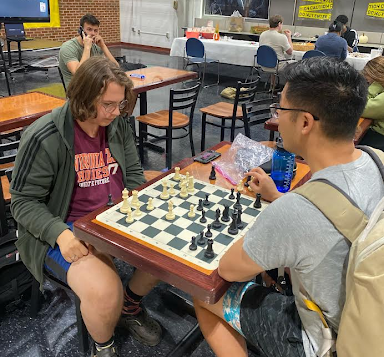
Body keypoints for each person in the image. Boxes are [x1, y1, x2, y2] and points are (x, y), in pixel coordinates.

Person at [193, 57, 384, 357]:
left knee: (205, 295)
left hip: (324, 341)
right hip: (368, 324)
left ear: (306, 122)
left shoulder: (298, 211)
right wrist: (276, 197)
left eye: (281, 109)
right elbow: (338, 219)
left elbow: (229, 269)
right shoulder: (377, 160)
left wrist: (276, 217)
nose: (278, 117)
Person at [10, 57, 162, 357]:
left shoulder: (116, 125)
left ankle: (129, 306)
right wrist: (60, 234)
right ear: (82, 97)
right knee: (106, 292)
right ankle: (103, 347)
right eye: (108, 104)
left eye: (120, 105)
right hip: (58, 228)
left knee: (172, 256)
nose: (116, 112)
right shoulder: (45, 136)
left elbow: (132, 174)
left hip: (108, 218)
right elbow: (23, 202)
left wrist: (135, 203)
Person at [59, 13, 119, 89]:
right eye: (89, 29)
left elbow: (116, 69)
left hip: (96, 89)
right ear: (81, 30)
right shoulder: (68, 47)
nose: (93, 33)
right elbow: (79, 74)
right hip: (78, 93)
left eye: (96, 30)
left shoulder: (96, 47)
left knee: (126, 91)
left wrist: (103, 46)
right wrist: (87, 47)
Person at [359, 56, 384, 150]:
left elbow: (361, 108)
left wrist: (375, 87)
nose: (366, 78)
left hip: (380, 137)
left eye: (367, 74)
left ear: (376, 76)